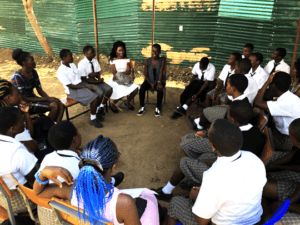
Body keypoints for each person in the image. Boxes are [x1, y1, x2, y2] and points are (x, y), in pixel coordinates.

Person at [155, 119, 267, 225]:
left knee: (175, 203)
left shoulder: (213, 176)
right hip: (254, 220)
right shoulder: (255, 160)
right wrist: (205, 192)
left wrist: (197, 197)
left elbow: (202, 221)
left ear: (212, 146)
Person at [33, 135, 160, 225]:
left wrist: (43, 174)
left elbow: (38, 193)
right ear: (114, 165)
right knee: (151, 202)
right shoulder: (123, 203)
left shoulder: (71, 190)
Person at [37, 121, 124, 186]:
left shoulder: (47, 158)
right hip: (75, 205)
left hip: (51, 204)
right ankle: (113, 181)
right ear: (75, 139)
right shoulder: (83, 165)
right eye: (78, 132)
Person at [182, 100, 264, 160]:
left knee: (186, 143)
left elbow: (216, 145)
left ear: (232, 119)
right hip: (231, 157)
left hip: (225, 164)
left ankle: (195, 162)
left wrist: (208, 135)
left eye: (227, 114)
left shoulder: (232, 136)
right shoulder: (256, 132)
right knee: (190, 138)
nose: (226, 116)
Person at [0, 79, 55, 163]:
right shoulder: (10, 119)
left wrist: (26, 113)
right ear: (8, 98)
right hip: (29, 156)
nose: (20, 96)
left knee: (44, 120)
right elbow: (33, 147)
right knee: (50, 146)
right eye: (17, 94)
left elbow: (28, 133)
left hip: (29, 142)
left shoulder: (12, 109)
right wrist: (34, 141)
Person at [262, 118, 300, 224]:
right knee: (258, 185)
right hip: (297, 191)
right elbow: (294, 154)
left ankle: (266, 217)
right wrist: (286, 203)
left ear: (296, 141)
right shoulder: (297, 146)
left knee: (272, 222)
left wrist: (287, 205)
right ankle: (266, 215)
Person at [0, 106, 37, 214]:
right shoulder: (17, 152)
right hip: (24, 202)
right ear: (12, 129)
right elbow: (34, 182)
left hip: (3, 200)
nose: (24, 122)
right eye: (21, 121)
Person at [11, 49, 65, 122]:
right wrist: (47, 99)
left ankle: (55, 127)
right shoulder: (17, 77)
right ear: (24, 63)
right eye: (32, 60)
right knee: (54, 106)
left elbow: (40, 90)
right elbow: (24, 98)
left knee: (61, 105)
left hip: (34, 99)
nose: (34, 62)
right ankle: (47, 129)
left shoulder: (33, 72)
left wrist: (51, 99)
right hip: (26, 104)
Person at [57, 49, 104, 128]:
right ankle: (93, 118)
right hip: (72, 91)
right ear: (64, 58)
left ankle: (95, 112)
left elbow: (80, 77)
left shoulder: (72, 65)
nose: (72, 58)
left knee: (99, 91)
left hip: (81, 85)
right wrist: (86, 86)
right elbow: (70, 85)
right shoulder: (61, 71)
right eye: (70, 56)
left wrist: (88, 81)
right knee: (94, 98)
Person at [254, 71, 300, 151]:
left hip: (287, 140)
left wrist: (267, 82)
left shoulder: (284, 102)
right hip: (287, 134)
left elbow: (257, 102)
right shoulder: (291, 97)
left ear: (274, 86)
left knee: (256, 139)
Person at [78, 45, 112, 116]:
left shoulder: (95, 61)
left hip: (95, 80)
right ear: (86, 53)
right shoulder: (81, 64)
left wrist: (99, 78)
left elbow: (98, 73)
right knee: (100, 92)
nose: (94, 53)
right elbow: (84, 80)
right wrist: (95, 80)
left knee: (109, 90)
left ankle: (100, 107)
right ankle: (95, 113)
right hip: (87, 83)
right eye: (92, 52)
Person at [107, 41, 139, 113]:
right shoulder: (113, 60)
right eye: (119, 50)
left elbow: (129, 71)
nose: (122, 52)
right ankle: (113, 104)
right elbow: (115, 73)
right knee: (122, 90)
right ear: (116, 51)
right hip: (116, 79)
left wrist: (122, 73)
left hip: (125, 78)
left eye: (123, 50)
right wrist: (124, 74)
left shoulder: (126, 59)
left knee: (136, 89)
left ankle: (127, 102)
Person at [138, 44, 167, 117]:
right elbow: (146, 74)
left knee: (160, 89)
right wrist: (150, 83)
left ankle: (158, 107)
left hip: (159, 79)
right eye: (153, 51)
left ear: (159, 52)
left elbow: (161, 71)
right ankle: (142, 107)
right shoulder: (147, 61)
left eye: (157, 51)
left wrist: (159, 82)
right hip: (149, 80)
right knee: (142, 88)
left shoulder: (162, 60)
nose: (154, 53)